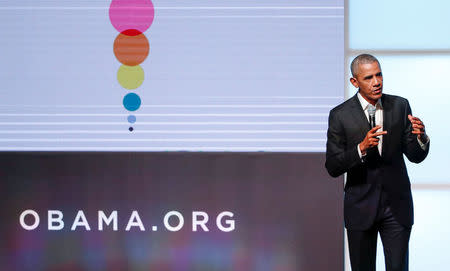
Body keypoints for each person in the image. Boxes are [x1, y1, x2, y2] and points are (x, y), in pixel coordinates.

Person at [325, 54, 430, 271]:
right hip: (360, 207)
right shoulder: (340, 115)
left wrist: (421, 138)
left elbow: (415, 156)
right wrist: (360, 149)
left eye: (379, 74)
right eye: (369, 77)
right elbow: (333, 166)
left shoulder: (400, 106)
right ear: (355, 82)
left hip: (396, 207)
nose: (376, 82)